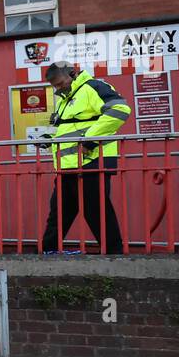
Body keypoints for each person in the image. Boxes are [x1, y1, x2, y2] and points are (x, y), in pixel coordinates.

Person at [39, 60, 132, 254]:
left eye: (59, 83)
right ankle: (47, 252)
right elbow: (71, 130)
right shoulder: (67, 98)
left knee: (97, 211)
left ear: (72, 74)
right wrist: (51, 138)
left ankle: (114, 255)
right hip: (68, 166)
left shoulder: (94, 87)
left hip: (92, 162)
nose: (57, 89)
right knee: (59, 212)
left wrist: (90, 140)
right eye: (53, 86)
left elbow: (120, 110)